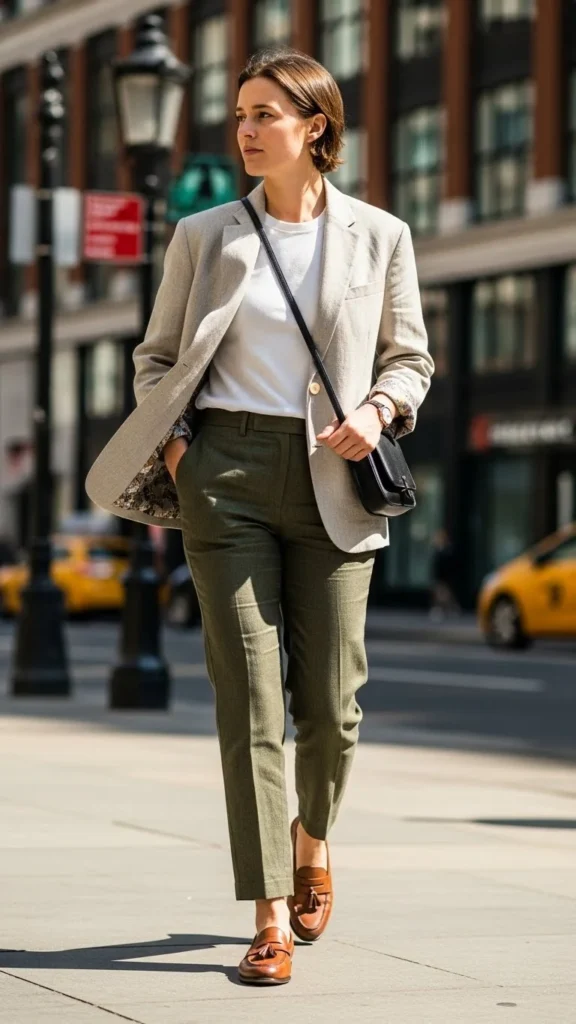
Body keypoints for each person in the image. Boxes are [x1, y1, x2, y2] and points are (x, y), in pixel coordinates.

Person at [85, 47, 433, 985]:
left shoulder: (379, 235)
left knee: (331, 705)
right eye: (240, 112)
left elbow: (411, 360)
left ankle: (311, 836)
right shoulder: (204, 235)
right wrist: (180, 454)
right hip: (225, 474)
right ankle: (269, 911)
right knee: (250, 702)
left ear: (314, 127)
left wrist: (378, 410)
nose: (244, 129)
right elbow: (156, 358)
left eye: (265, 114)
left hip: (336, 472)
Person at [429, 528, 460, 621]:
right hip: (440, 577)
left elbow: (449, 565)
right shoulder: (438, 550)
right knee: (441, 595)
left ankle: (450, 609)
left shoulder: (447, 550)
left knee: (445, 595)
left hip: (445, 577)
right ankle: (444, 610)